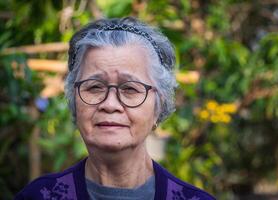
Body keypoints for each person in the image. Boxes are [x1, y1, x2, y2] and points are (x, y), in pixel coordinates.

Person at [15, 17, 215, 200]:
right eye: (94, 87)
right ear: (74, 101)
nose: (110, 104)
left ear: (158, 106)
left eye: (129, 89)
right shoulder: (38, 196)